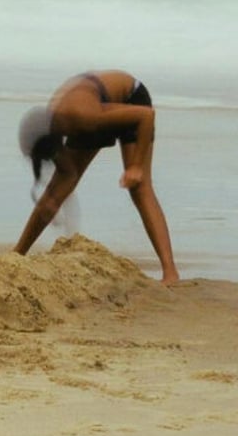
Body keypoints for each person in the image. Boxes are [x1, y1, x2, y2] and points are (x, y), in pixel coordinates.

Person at [15, 69, 179, 284]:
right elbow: (67, 175)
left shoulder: (81, 116)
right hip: (96, 110)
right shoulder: (52, 124)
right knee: (54, 192)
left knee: (139, 188)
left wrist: (136, 166)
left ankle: (170, 273)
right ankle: (18, 254)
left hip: (131, 101)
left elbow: (146, 115)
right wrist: (53, 205)